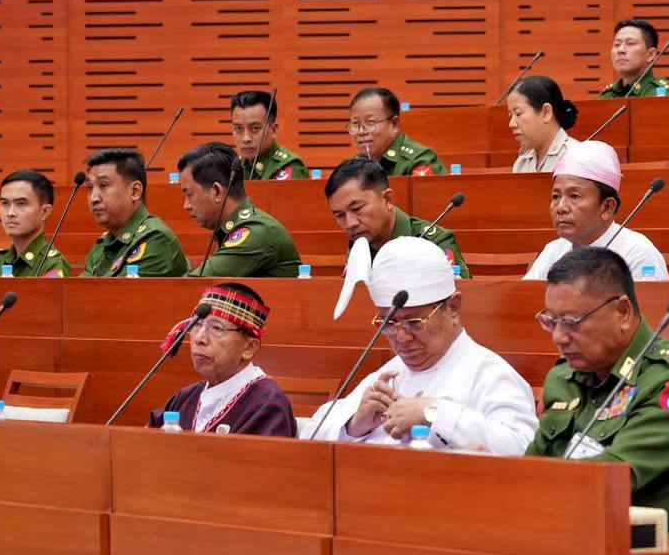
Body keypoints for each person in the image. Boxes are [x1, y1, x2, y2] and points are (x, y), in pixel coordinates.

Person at [526, 247, 669, 534]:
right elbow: (532, 466)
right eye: (551, 321)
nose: (558, 337)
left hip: (645, 551)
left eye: (571, 322)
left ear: (622, 312)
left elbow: (611, 476)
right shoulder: (563, 378)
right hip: (562, 532)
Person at [300, 237, 537, 450]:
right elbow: (309, 435)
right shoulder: (388, 375)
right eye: (388, 323)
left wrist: (434, 413)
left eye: (414, 322)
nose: (401, 337)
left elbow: (522, 448)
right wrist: (353, 426)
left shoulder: (491, 375)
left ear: (453, 308)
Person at [149, 283, 296, 436]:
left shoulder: (268, 405)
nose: (199, 338)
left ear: (249, 348)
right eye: (197, 325)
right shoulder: (185, 398)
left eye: (217, 328)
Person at [525, 140, 667, 282]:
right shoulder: (552, 251)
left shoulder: (638, 254)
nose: (561, 207)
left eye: (574, 196)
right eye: (556, 196)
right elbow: (524, 294)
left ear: (607, 207)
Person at [325, 158, 468, 277]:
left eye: (357, 209)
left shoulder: (434, 242)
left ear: (387, 199)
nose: (350, 224)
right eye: (340, 215)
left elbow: (457, 300)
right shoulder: (359, 244)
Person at [178, 142, 303, 277]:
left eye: (189, 194)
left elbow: (194, 284)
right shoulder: (236, 227)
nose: (186, 206)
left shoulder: (256, 232)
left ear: (217, 191)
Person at [81, 147, 191, 277]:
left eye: (103, 185)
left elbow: (113, 290)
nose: (93, 198)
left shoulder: (155, 238)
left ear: (135, 191)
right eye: (90, 187)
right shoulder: (104, 243)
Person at [0, 170, 70, 278]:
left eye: (21, 203)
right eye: (5, 203)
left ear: (44, 212)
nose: (10, 213)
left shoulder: (52, 264)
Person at [346, 86, 447, 176]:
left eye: (370, 123)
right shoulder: (353, 166)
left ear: (394, 124)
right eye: (355, 124)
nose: (361, 132)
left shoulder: (420, 160)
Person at [230, 90, 309, 180]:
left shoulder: (288, 167)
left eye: (255, 128)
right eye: (239, 128)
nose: (246, 138)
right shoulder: (235, 167)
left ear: (273, 130)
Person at [508, 75, 579, 173]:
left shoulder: (575, 158)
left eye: (518, 113)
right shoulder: (521, 163)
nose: (511, 124)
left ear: (546, 112)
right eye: (510, 116)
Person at [598, 19, 669, 99]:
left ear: (651, 54)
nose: (620, 50)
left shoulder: (664, 96)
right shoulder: (606, 97)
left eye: (630, 43)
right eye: (617, 44)